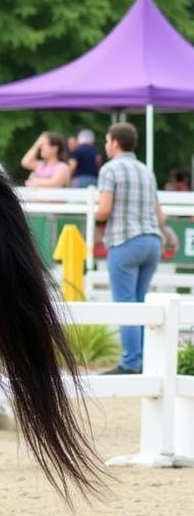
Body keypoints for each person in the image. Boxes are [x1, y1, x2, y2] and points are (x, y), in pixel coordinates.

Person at [95, 122, 175, 375]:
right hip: (151, 241)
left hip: (125, 240)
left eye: (107, 141)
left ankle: (131, 362)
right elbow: (157, 209)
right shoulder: (146, 170)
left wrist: (94, 217)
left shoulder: (110, 169)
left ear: (115, 143)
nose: (106, 145)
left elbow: (105, 209)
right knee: (141, 303)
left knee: (126, 303)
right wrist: (166, 232)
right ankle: (144, 360)